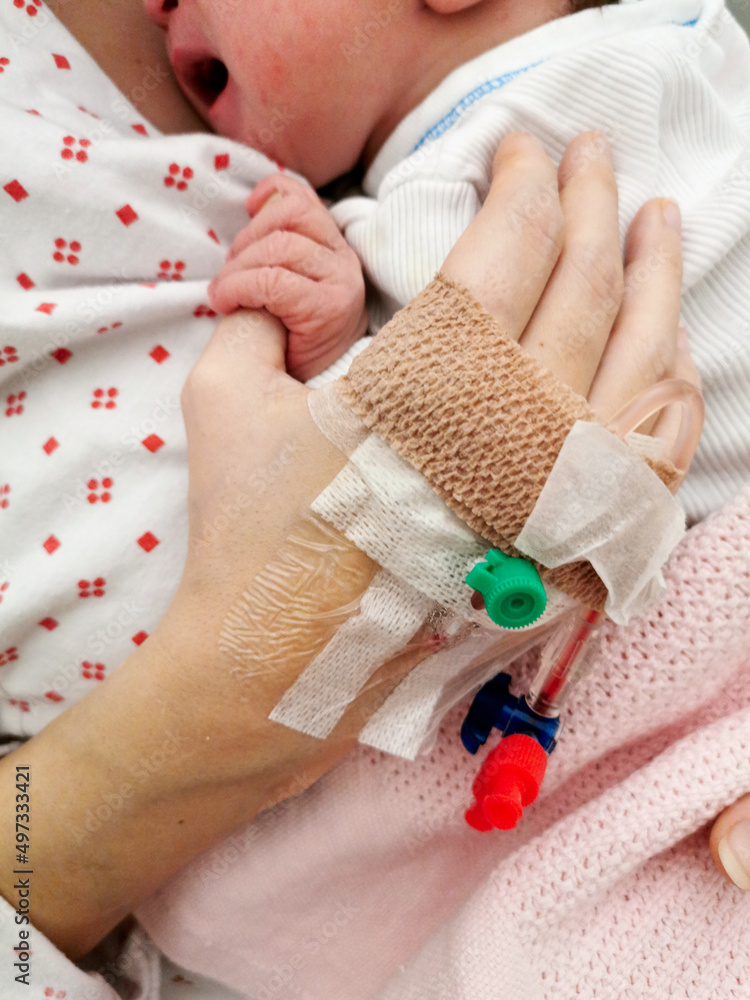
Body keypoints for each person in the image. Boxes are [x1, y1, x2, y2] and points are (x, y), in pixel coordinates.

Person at [0, 2, 746, 999]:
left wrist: (336, 326)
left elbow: (401, 448)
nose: (158, 5)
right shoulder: (688, 58)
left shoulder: (498, 145)